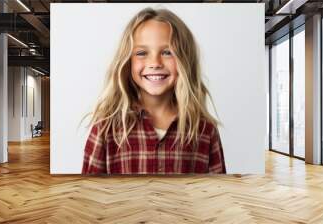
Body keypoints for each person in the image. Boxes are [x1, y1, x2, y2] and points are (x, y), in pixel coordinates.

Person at [82, 7, 226, 174]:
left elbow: (217, 192)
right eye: (142, 53)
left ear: (185, 60)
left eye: (167, 52)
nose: (155, 63)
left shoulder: (205, 130)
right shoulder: (105, 128)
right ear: (127, 61)